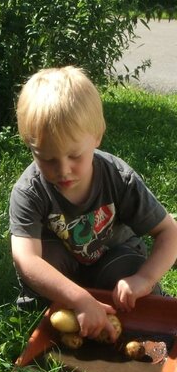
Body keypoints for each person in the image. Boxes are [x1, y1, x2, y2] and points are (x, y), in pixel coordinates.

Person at [9, 66, 177, 342]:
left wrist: (143, 280)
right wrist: (78, 298)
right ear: (30, 147)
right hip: (65, 272)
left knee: (131, 280)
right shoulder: (29, 190)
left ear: (97, 136)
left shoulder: (118, 178)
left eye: (75, 155)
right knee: (42, 270)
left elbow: (169, 231)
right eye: (47, 159)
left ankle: (124, 299)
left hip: (113, 260)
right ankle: (57, 305)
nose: (63, 170)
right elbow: (25, 258)